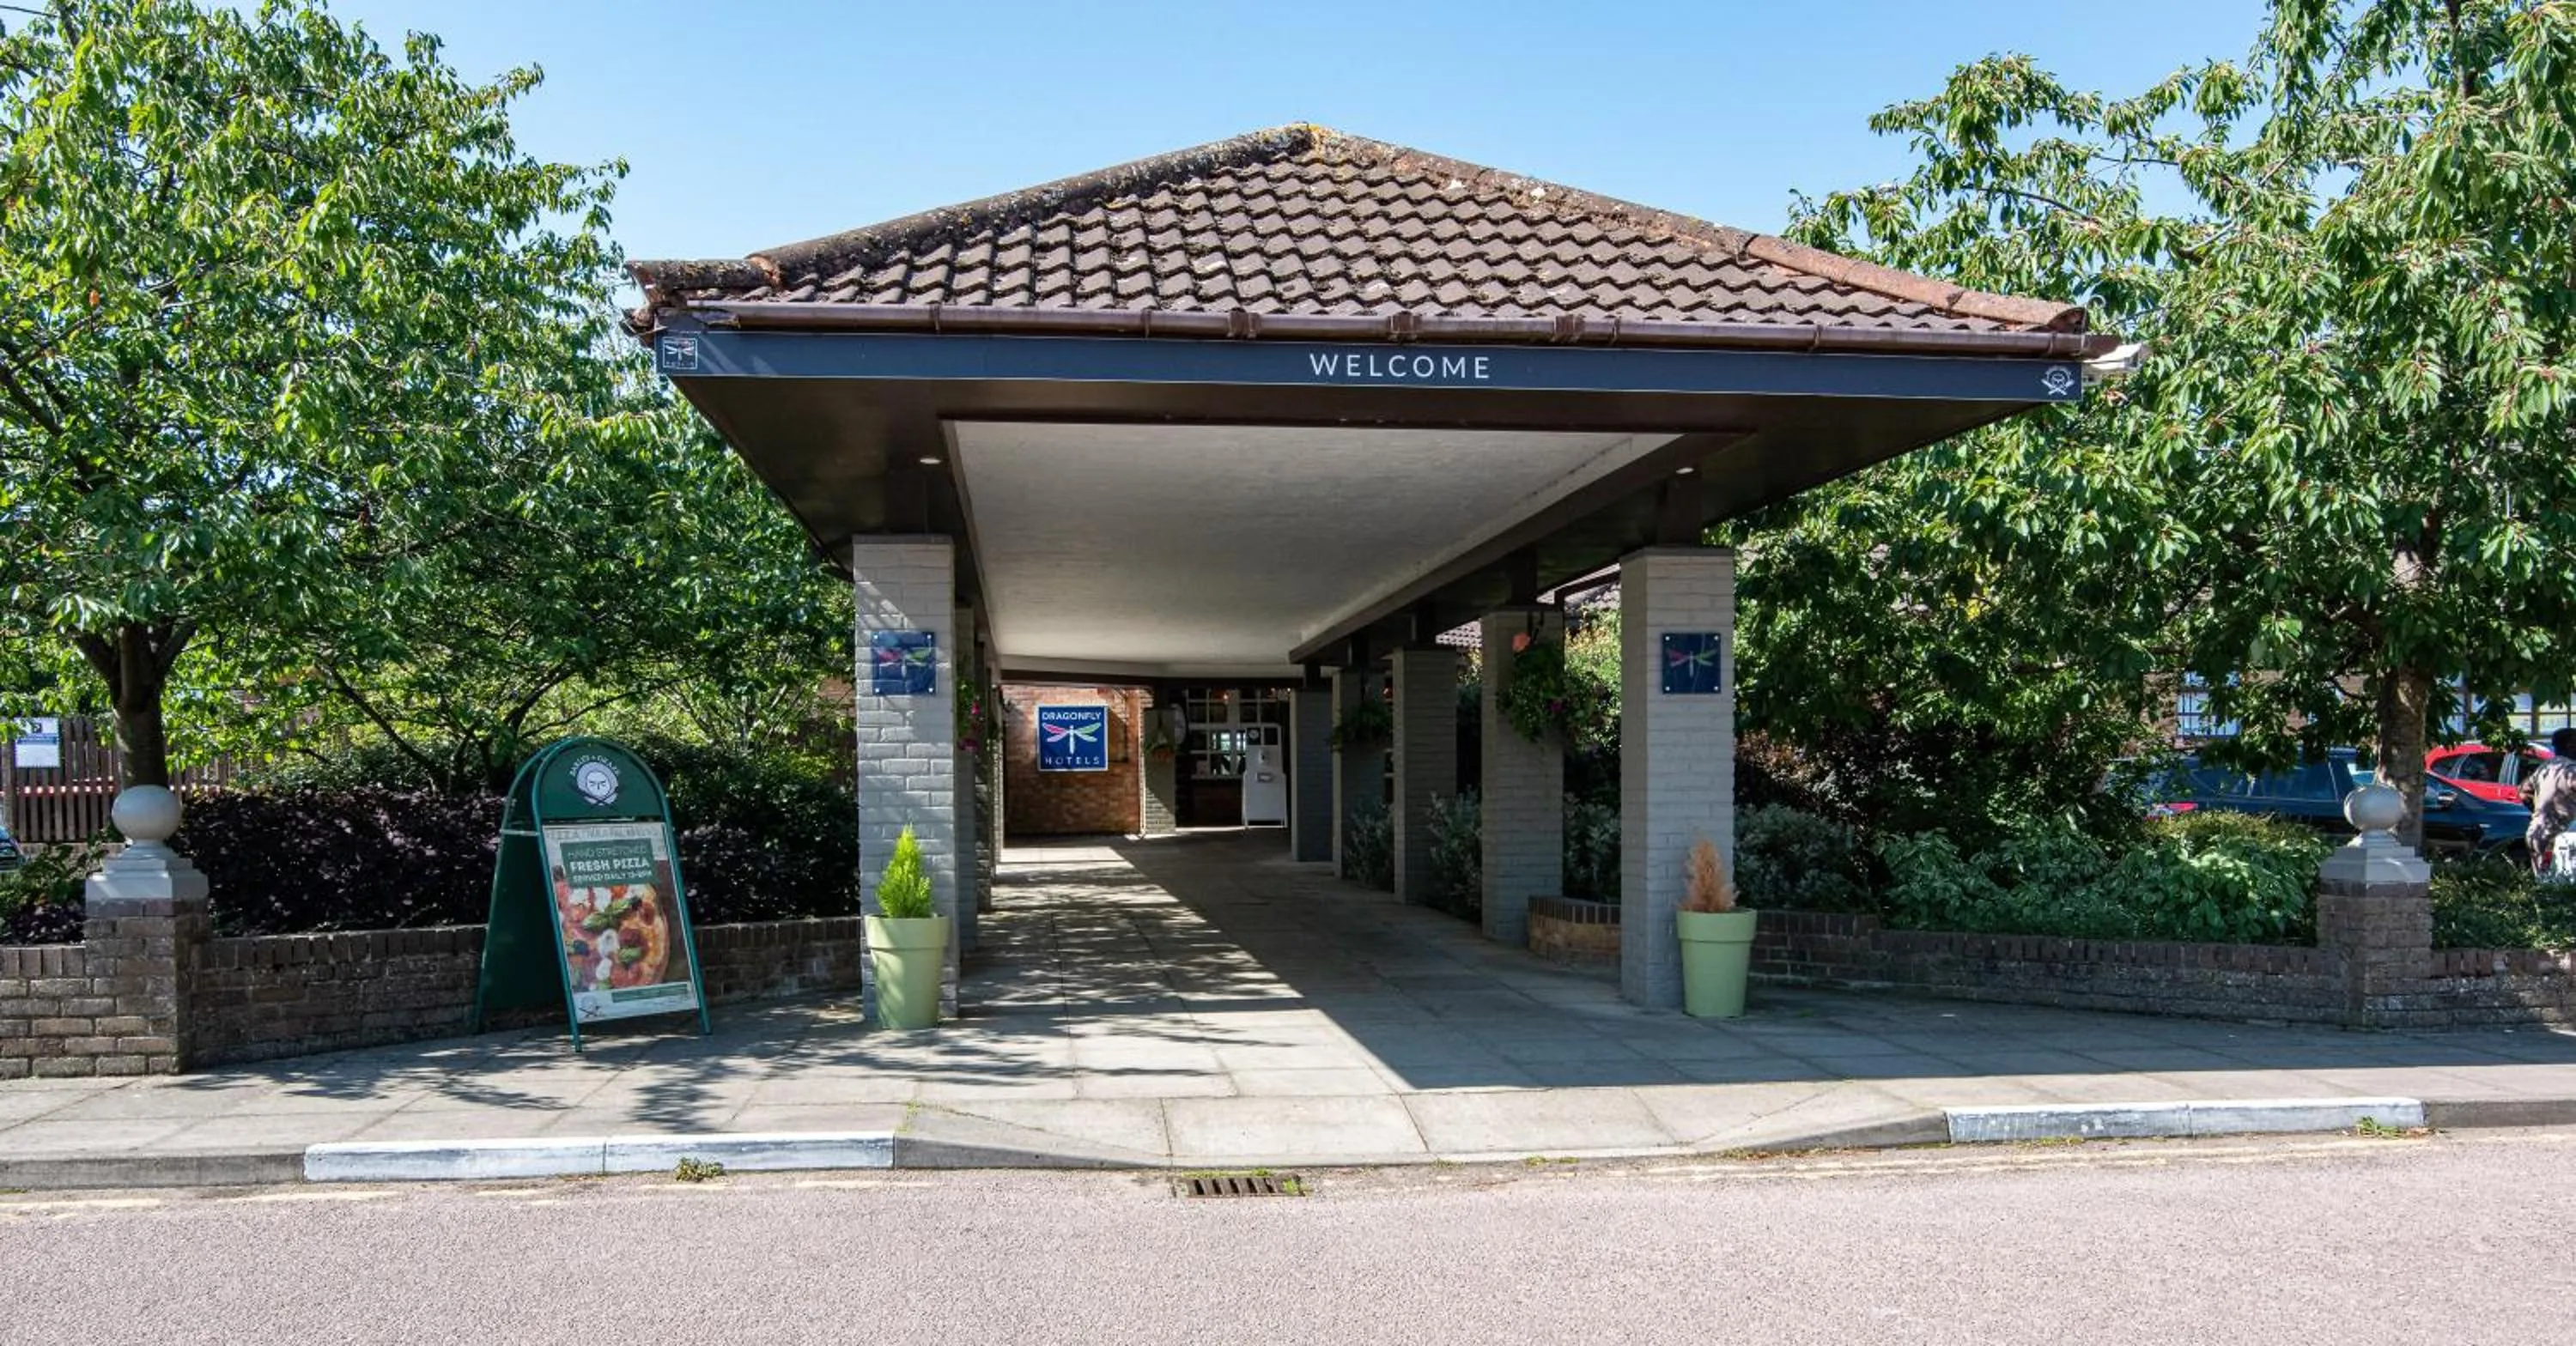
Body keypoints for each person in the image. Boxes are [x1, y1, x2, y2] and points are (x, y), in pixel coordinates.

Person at [2518, 729, 2576, 877]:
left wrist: (2538, 812)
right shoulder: (2571, 770)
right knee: (2564, 885)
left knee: (2543, 883)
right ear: (2571, 745)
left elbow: (2523, 792)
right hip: (2562, 836)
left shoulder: (2544, 768)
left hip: (2537, 832)